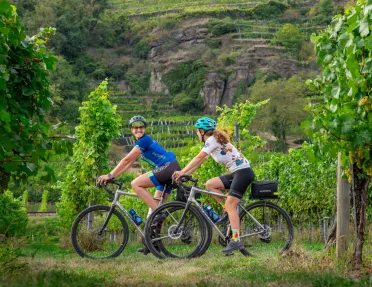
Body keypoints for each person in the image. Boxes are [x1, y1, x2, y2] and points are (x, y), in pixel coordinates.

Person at [97, 115, 181, 254]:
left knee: (135, 184)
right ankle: (153, 244)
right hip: (170, 170)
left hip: (167, 168)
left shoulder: (144, 140)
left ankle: (159, 214)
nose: (138, 130)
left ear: (144, 129)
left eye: (141, 127)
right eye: (135, 128)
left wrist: (109, 175)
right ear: (131, 130)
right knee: (154, 209)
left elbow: (126, 159)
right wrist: (114, 176)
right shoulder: (140, 144)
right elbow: (128, 164)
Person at [173, 117, 254, 253]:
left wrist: (181, 171)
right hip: (237, 173)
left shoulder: (211, 140)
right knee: (210, 184)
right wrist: (185, 174)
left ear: (202, 131)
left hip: (243, 173)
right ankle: (227, 211)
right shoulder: (213, 142)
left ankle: (236, 240)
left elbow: (198, 157)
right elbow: (200, 162)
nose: (197, 134)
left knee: (231, 205)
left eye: (197, 132)